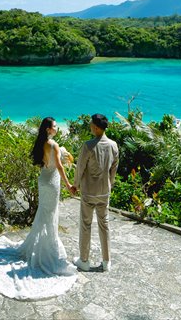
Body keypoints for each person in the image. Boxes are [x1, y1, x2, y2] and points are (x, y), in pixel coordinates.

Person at [0, 117, 78, 299]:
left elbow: (47, 162)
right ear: (48, 129)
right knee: (50, 215)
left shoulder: (41, 143)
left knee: (43, 213)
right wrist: (69, 185)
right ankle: (48, 252)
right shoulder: (53, 144)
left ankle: (38, 247)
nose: (56, 129)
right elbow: (59, 167)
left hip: (43, 180)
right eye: (54, 126)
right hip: (53, 182)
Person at [72, 113, 119, 273]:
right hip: (104, 191)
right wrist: (109, 185)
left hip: (89, 192)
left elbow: (80, 168)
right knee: (104, 225)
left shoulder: (88, 145)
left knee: (86, 225)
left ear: (97, 128)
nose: (90, 126)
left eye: (92, 124)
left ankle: (84, 260)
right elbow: (114, 170)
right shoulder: (113, 145)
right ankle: (107, 261)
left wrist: (75, 185)